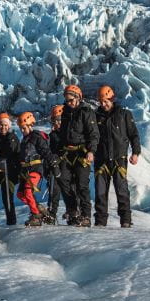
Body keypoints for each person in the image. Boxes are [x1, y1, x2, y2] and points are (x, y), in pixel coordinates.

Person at [94, 85, 141, 228]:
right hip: (101, 159)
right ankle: (100, 222)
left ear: (112, 99)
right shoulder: (95, 116)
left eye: (106, 101)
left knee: (122, 191)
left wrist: (135, 153)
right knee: (100, 192)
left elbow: (134, 135)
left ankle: (126, 220)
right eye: (101, 101)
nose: (103, 104)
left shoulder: (124, 114)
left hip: (119, 159)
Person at [55, 85, 99, 227]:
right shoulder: (66, 112)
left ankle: (85, 215)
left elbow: (93, 134)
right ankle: (73, 210)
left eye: (71, 100)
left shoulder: (86, 112)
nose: (69, 103)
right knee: (63, 180)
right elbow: (63, 133)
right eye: (67, 100)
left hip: (82, 153)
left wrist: (91, 151)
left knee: (81, 185)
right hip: (67, 153)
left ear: (78, 97)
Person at [16, 112, 59, 227]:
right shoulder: (24, 140)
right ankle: (39, 208)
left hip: (35, 168)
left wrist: (53, 163)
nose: (22, 130)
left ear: (30, 125)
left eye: (24, 128)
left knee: (28, 191)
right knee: (21, 194)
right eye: (21, 128)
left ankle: (36, 216)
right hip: (26, 171)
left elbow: (45, 151)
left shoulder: (36, 137)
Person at [0, 112, 20, 226]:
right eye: (1, 125)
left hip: (8, 173)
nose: (3, 127)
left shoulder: (13, 138)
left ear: (9, 126)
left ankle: (11, 222)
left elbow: (16, 155)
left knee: (7, 199)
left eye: (5, 125)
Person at [46, 105, 66, 223]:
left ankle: (73, 211)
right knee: (54, 190)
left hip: (67, 165)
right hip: (55, 165)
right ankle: (52, 213)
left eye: (59, 120)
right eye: (55, 120)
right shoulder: (51, 136)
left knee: (72, 190)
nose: (57, 123)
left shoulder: (69, 134)